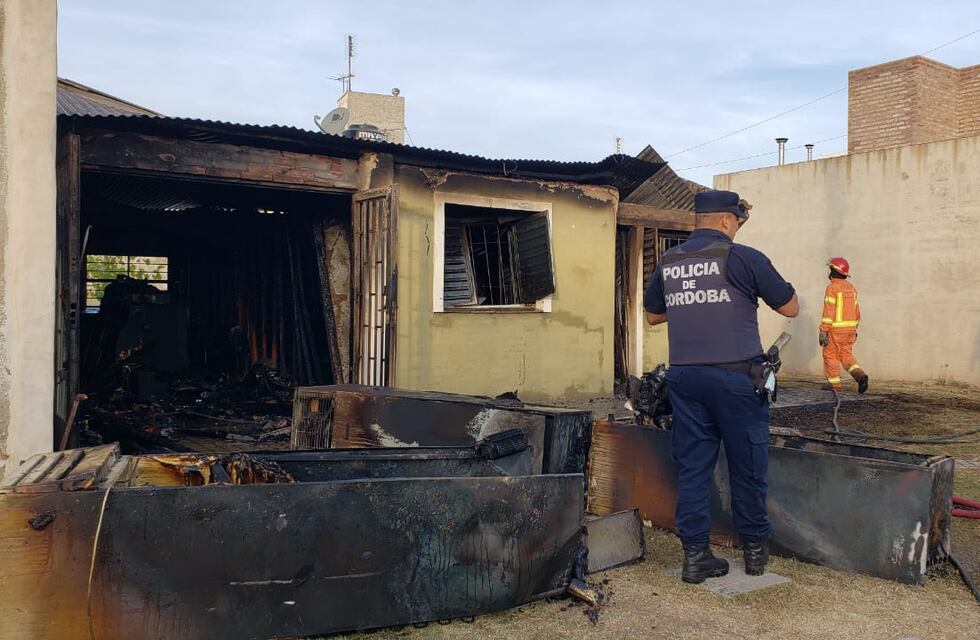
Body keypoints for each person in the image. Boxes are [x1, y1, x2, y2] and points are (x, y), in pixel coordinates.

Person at [643, 190, 799, 583]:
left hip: (685, 378)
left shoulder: (669, 260)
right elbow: (790, 307)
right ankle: (754, 551)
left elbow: (653, 316)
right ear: (729, 221)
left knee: (693, 468)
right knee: (748, 464)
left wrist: (694, 300)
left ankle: (696, 557)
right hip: (736, 379)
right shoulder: (745, 258)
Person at [819, 257, 869, 394]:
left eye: (830, 269)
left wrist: (823, 330)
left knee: (830, 356)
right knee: (846, 355)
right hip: (850, 330)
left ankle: (835, 386)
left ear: (834, 271)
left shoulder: (832, 288)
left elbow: (829, 311)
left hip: (835, 331)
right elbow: (856, 311)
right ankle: (860, 376)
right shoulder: (851, 288)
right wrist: (854, 329)